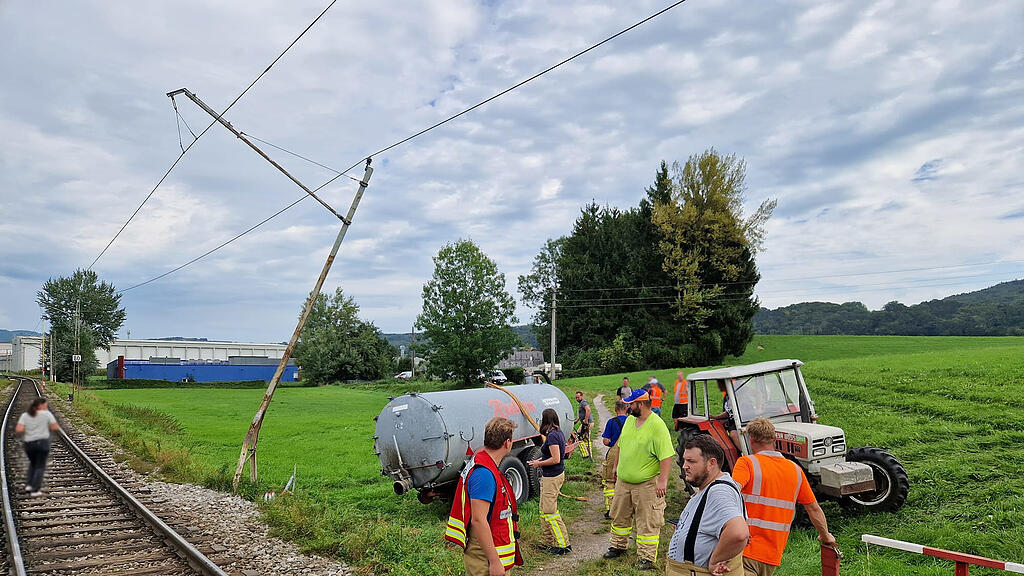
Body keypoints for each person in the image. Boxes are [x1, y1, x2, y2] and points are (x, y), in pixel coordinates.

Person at [733, 418, 836, 576]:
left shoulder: (746, 463)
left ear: (751, 439)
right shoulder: (795, 470)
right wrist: (825, 535)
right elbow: (813, 508)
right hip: (771, 557)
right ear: (774, 439)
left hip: (744, 550)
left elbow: (729, 492)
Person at [603, 389, 675, 570]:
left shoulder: (657, 426)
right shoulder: (629, 421)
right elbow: (621, 444)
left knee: (647, 521)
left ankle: (646, 557)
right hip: (623, 481)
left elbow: (666, 456)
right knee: (619, 515)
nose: (628, 406)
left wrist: (663, 481)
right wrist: (615, 467)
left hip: (647, 484)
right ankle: (618, 546)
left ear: (640, 404)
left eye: (631, 404)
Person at [445, 418, 523, 575]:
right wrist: (494, 562)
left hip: (488, 549)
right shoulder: (484, 475)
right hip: (484, 557)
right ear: (508, 443)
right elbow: (479, 520)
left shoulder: (483, 460)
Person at [667, 435, 750, 576]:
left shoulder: (719, 492)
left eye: (691, 461)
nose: (684, 466)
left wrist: (715, 561)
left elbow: (739, 533)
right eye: (685, 460)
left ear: (712, 463)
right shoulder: (709, 487)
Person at [528, 409, 571, 554]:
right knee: (543, 509)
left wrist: (538, 465)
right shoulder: (557, 433)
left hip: (552, 477)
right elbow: (550, 455)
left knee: (550, 511)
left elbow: (556, 459)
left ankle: (563, 545)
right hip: (551, 476)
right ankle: (548, 541)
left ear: (545, 419)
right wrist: (538, 460)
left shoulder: (552, 436)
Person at [15, 397, 59, 496]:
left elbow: (19, 429)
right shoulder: (46, 414)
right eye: (45, 405)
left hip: (29, 444)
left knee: (33, 463)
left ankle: (29, 485)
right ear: (41, 405)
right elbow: (55, 427)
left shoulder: (25, 415)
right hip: (42, 443)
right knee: (40, 466)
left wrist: (31, 429)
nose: (46, 407)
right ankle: (35, 490)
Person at [600, 400, 629, 518]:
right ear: (626, 409)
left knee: (610, 482)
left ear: (615, 409)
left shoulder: (611, 422)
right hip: (630, 454)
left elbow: (606, 441)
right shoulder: (632, 422)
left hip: (614, 453)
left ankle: (611, 510)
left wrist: (612, 442)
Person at [712, 380, 744, 454]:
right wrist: (715, 417)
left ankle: (746, 453)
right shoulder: (727, 396)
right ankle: (742, 453)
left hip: (741, 420)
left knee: (733, 434)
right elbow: (728, 412)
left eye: (719, 384)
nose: (718, 386)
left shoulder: (737, 394)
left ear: (724, 384)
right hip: (733, 422)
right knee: (731, 434)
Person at [574, 391, 592, 458]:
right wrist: (576, 421)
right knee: (582, 437)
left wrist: (586, 420)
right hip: (585, 423)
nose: (577, 399)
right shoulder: (581, 403)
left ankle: (587, 455)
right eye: (576, 398)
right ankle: (587, 454)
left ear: (582, 396)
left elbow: (588, 410)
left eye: (578, 397)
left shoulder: (583, 403)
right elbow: (582, 414)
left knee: (581, 437)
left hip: (588, 423)